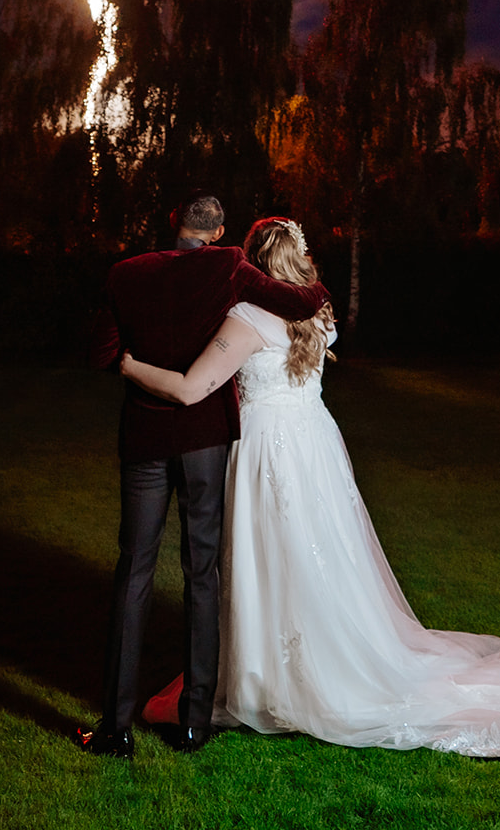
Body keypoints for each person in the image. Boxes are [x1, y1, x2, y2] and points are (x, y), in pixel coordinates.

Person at [122, 217, 500, 758]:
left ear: (252, 264)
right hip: (313, 444)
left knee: (268, 558)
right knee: (317, 556)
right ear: (300, 261)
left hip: (266, 449)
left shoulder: (247, 317)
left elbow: (190, 389)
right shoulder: (317, 314)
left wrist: (131, 366)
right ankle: (306, 660)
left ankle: (270, 677)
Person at [79, 195, 328, 758]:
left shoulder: (125, 273)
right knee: (202, 572)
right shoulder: (228, 265)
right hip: (203, 441)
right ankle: (194, 723)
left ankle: (115, 728)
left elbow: (100, 353)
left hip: (145, 436)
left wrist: (130, 361)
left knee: (134, 569)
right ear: (217, 232)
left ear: (175, 223)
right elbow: (305, 298)